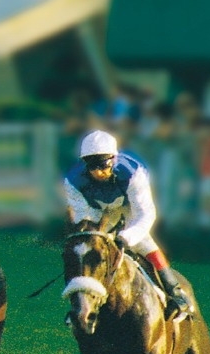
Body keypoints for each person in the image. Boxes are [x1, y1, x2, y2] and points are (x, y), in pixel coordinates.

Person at [62, 129, 191, 317]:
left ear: (113, 159)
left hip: (130, 207)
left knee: (143, 242)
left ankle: (176, 293)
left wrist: (126, 237)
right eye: (92, 166)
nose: (98, 172)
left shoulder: (132, 174)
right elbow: (84, 218)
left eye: (103, 165)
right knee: (87, 249)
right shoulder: (73, 181)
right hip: (97, 211)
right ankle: (81, 306)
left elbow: (146, 214)